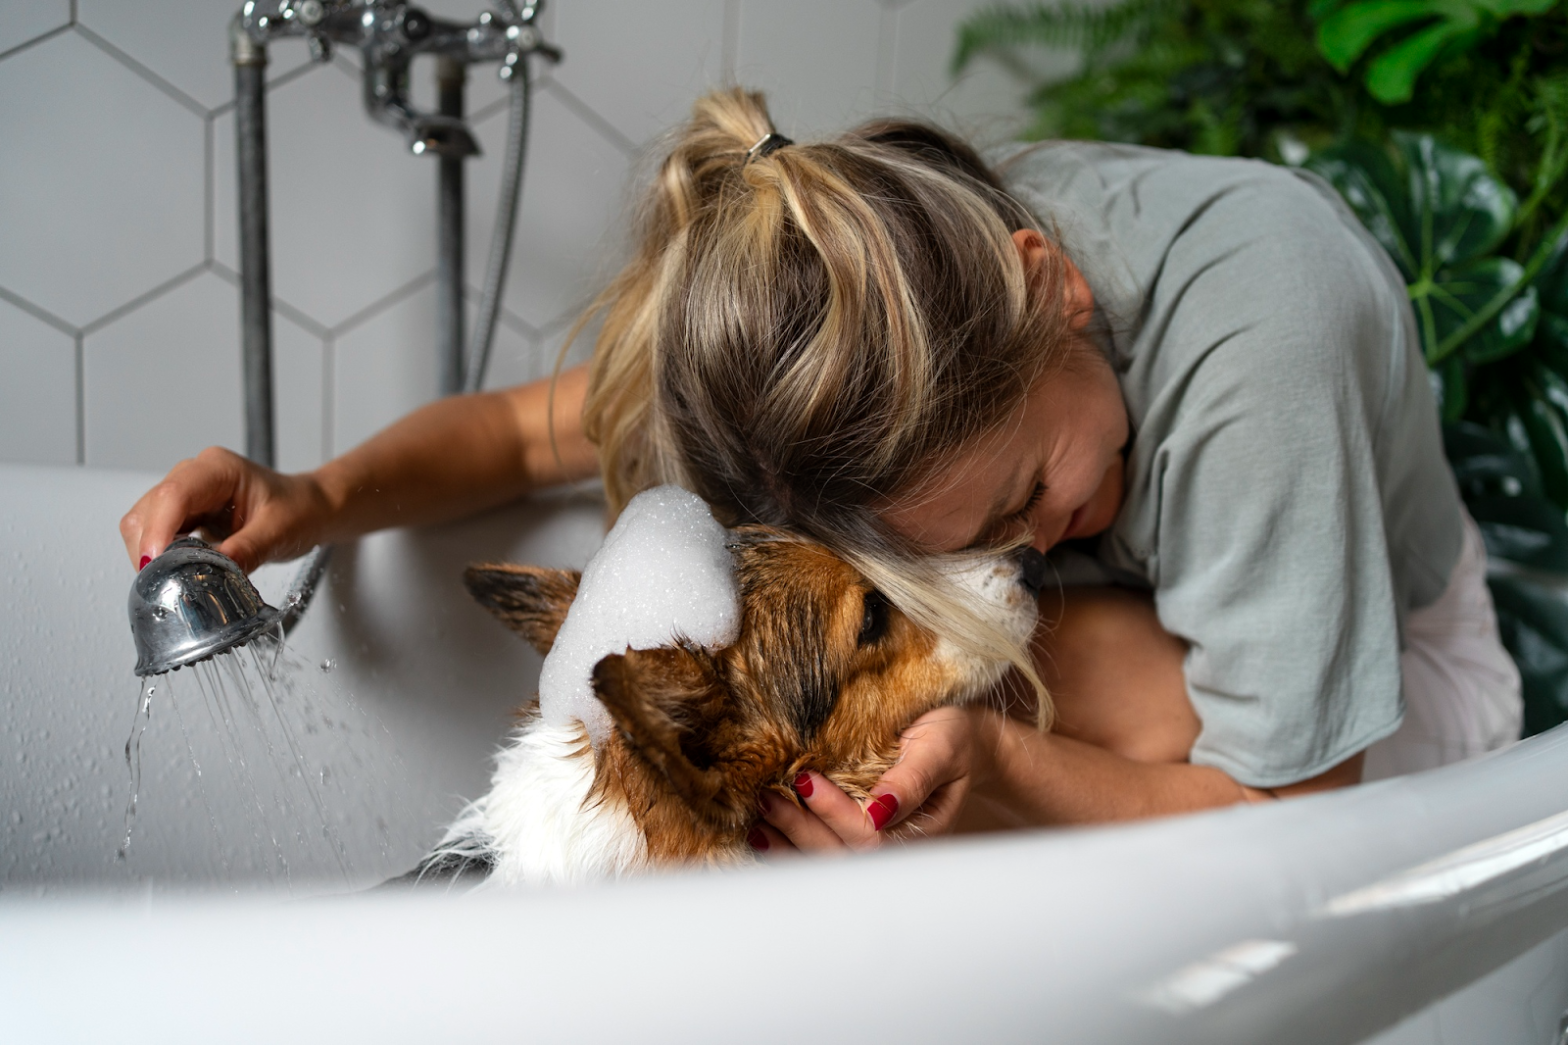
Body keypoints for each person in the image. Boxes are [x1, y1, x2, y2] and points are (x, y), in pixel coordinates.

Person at [120, 88, 1522, 857]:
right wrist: (320, 498)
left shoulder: (1253, 350)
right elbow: (523, 434)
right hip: (1159, 675)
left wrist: (1003, 768)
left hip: (1379, 696)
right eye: (976, 540)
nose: (1029, 545)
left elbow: (1290, 822)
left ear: (1051, 287)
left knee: (941, 692)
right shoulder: (846, 333)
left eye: (1030, 499)